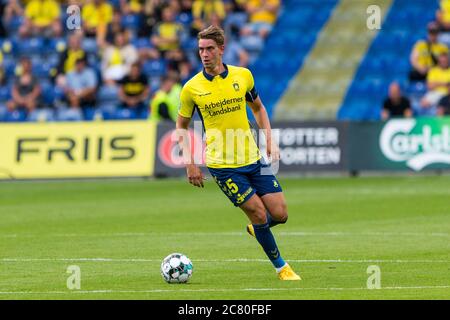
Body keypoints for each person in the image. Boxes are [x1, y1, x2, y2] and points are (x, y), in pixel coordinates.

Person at [176, 25, 300, 280]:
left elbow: (259, 108)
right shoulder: (191, 88)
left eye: (210, 48)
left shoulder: (243, 76)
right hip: (223, 165)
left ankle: (258, 229)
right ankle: (282, 268)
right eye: (201, 49)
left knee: (280, 214)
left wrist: (269, 141)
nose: (205, 54)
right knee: (258, 212)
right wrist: (189, 162)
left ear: (222, 49)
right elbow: (181, 126)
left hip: (253, 158)